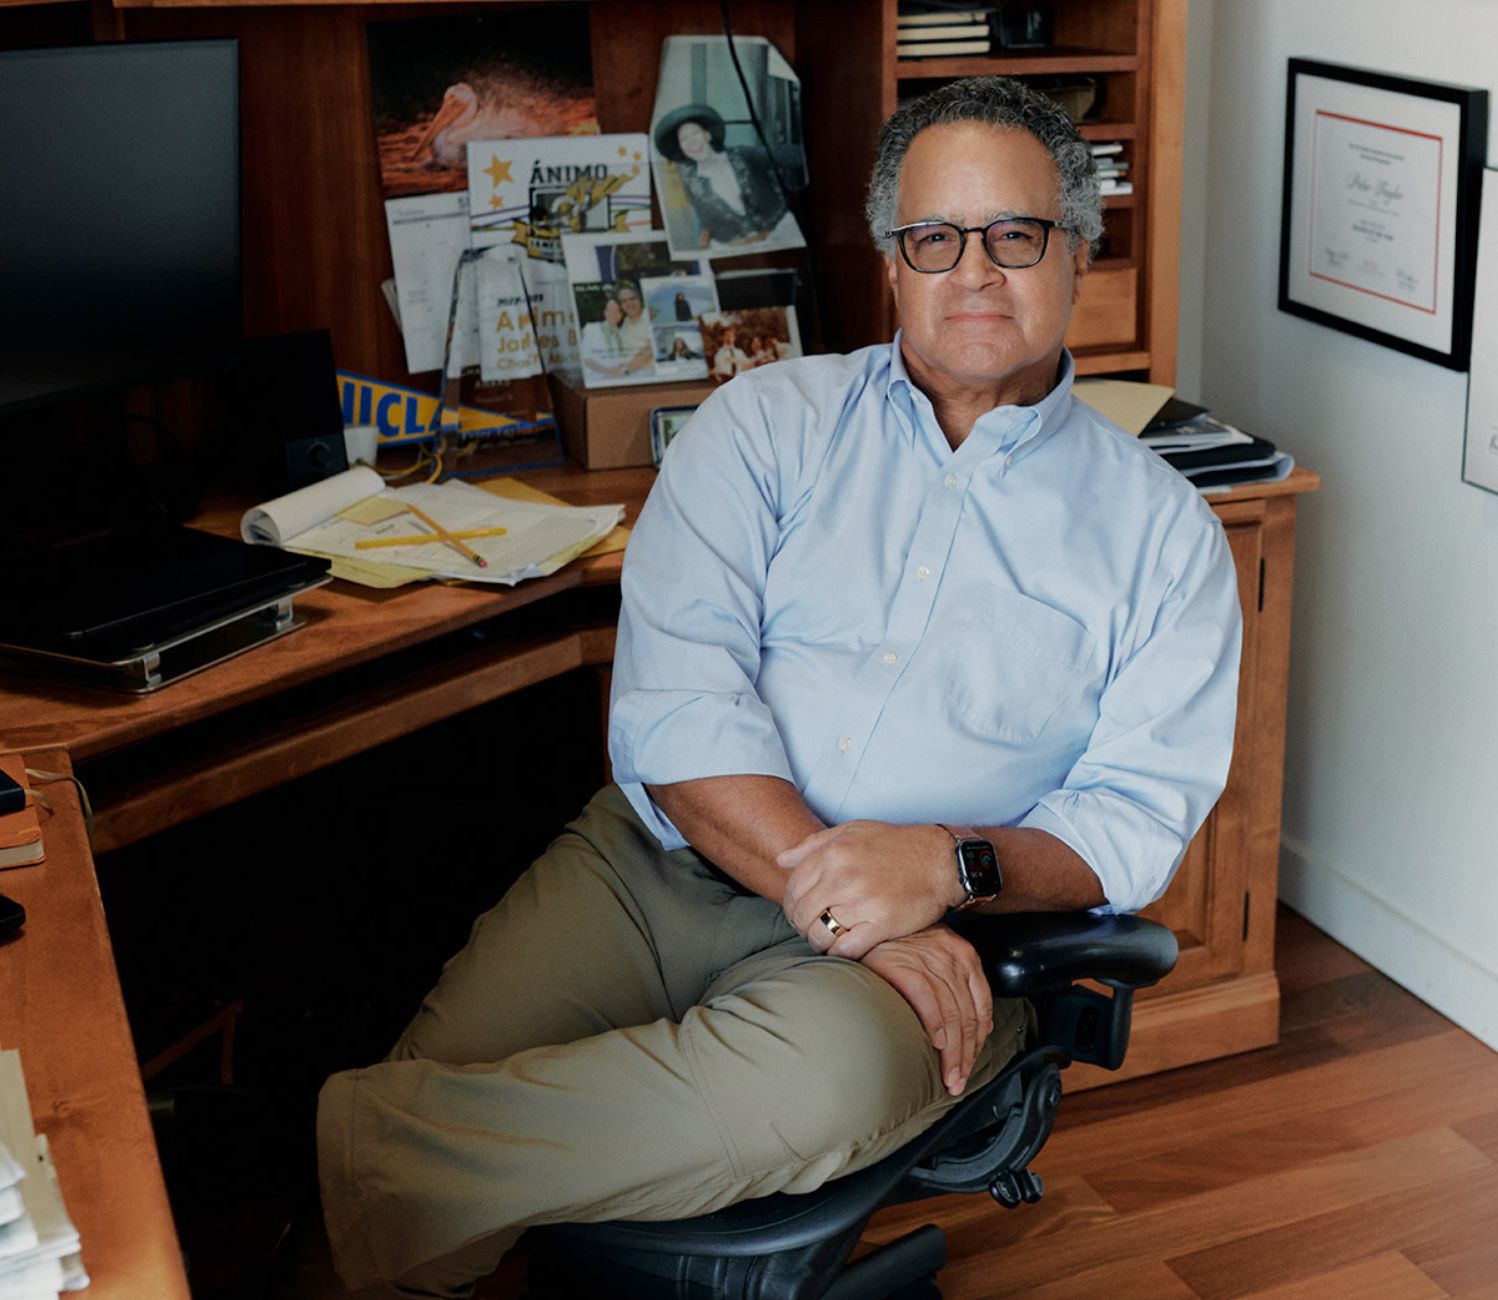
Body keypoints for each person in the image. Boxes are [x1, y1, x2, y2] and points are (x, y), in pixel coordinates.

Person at [315, 75, 1242, 1296]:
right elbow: (680, 708)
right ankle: (373, 1174)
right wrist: (843, 897)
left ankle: (337, 1150)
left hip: (938, 933)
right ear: (891, 266)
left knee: (805, 1090)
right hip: (652, 877)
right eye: (934, 239)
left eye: (1016, 235)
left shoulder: (1165, 535)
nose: (975, 273)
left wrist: (943, 870)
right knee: (443, 1158)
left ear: (1078, 252)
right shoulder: (759, 425)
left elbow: (1131, 817)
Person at [652, 102, 791, 248]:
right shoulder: (693, 184)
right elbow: (705, 221)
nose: (691, 141)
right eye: (684, 139)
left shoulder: (744, 155)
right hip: (739, 248)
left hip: (783, 232)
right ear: (682, 148)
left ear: (707, 135)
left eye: (694, 133)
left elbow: (794, 156)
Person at [576, 292, 631, 380]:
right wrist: (607, 371)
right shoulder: (591, 329)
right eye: (610, 310)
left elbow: (626, 360)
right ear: (605, 312)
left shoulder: (623, 335)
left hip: (619, 379)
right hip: (594, 379)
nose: (613, 314)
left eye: (617, 311)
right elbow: (585, 359)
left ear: (620, 315)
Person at [612, 283, 656, 378]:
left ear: (639, 299)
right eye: (624, 301)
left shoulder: (652, 315)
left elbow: (650, 350)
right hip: (632, 373)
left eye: (632, 298)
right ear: (620, 305)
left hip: (651, 373)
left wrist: (625, 370)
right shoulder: (625, 321)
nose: (629, 303)